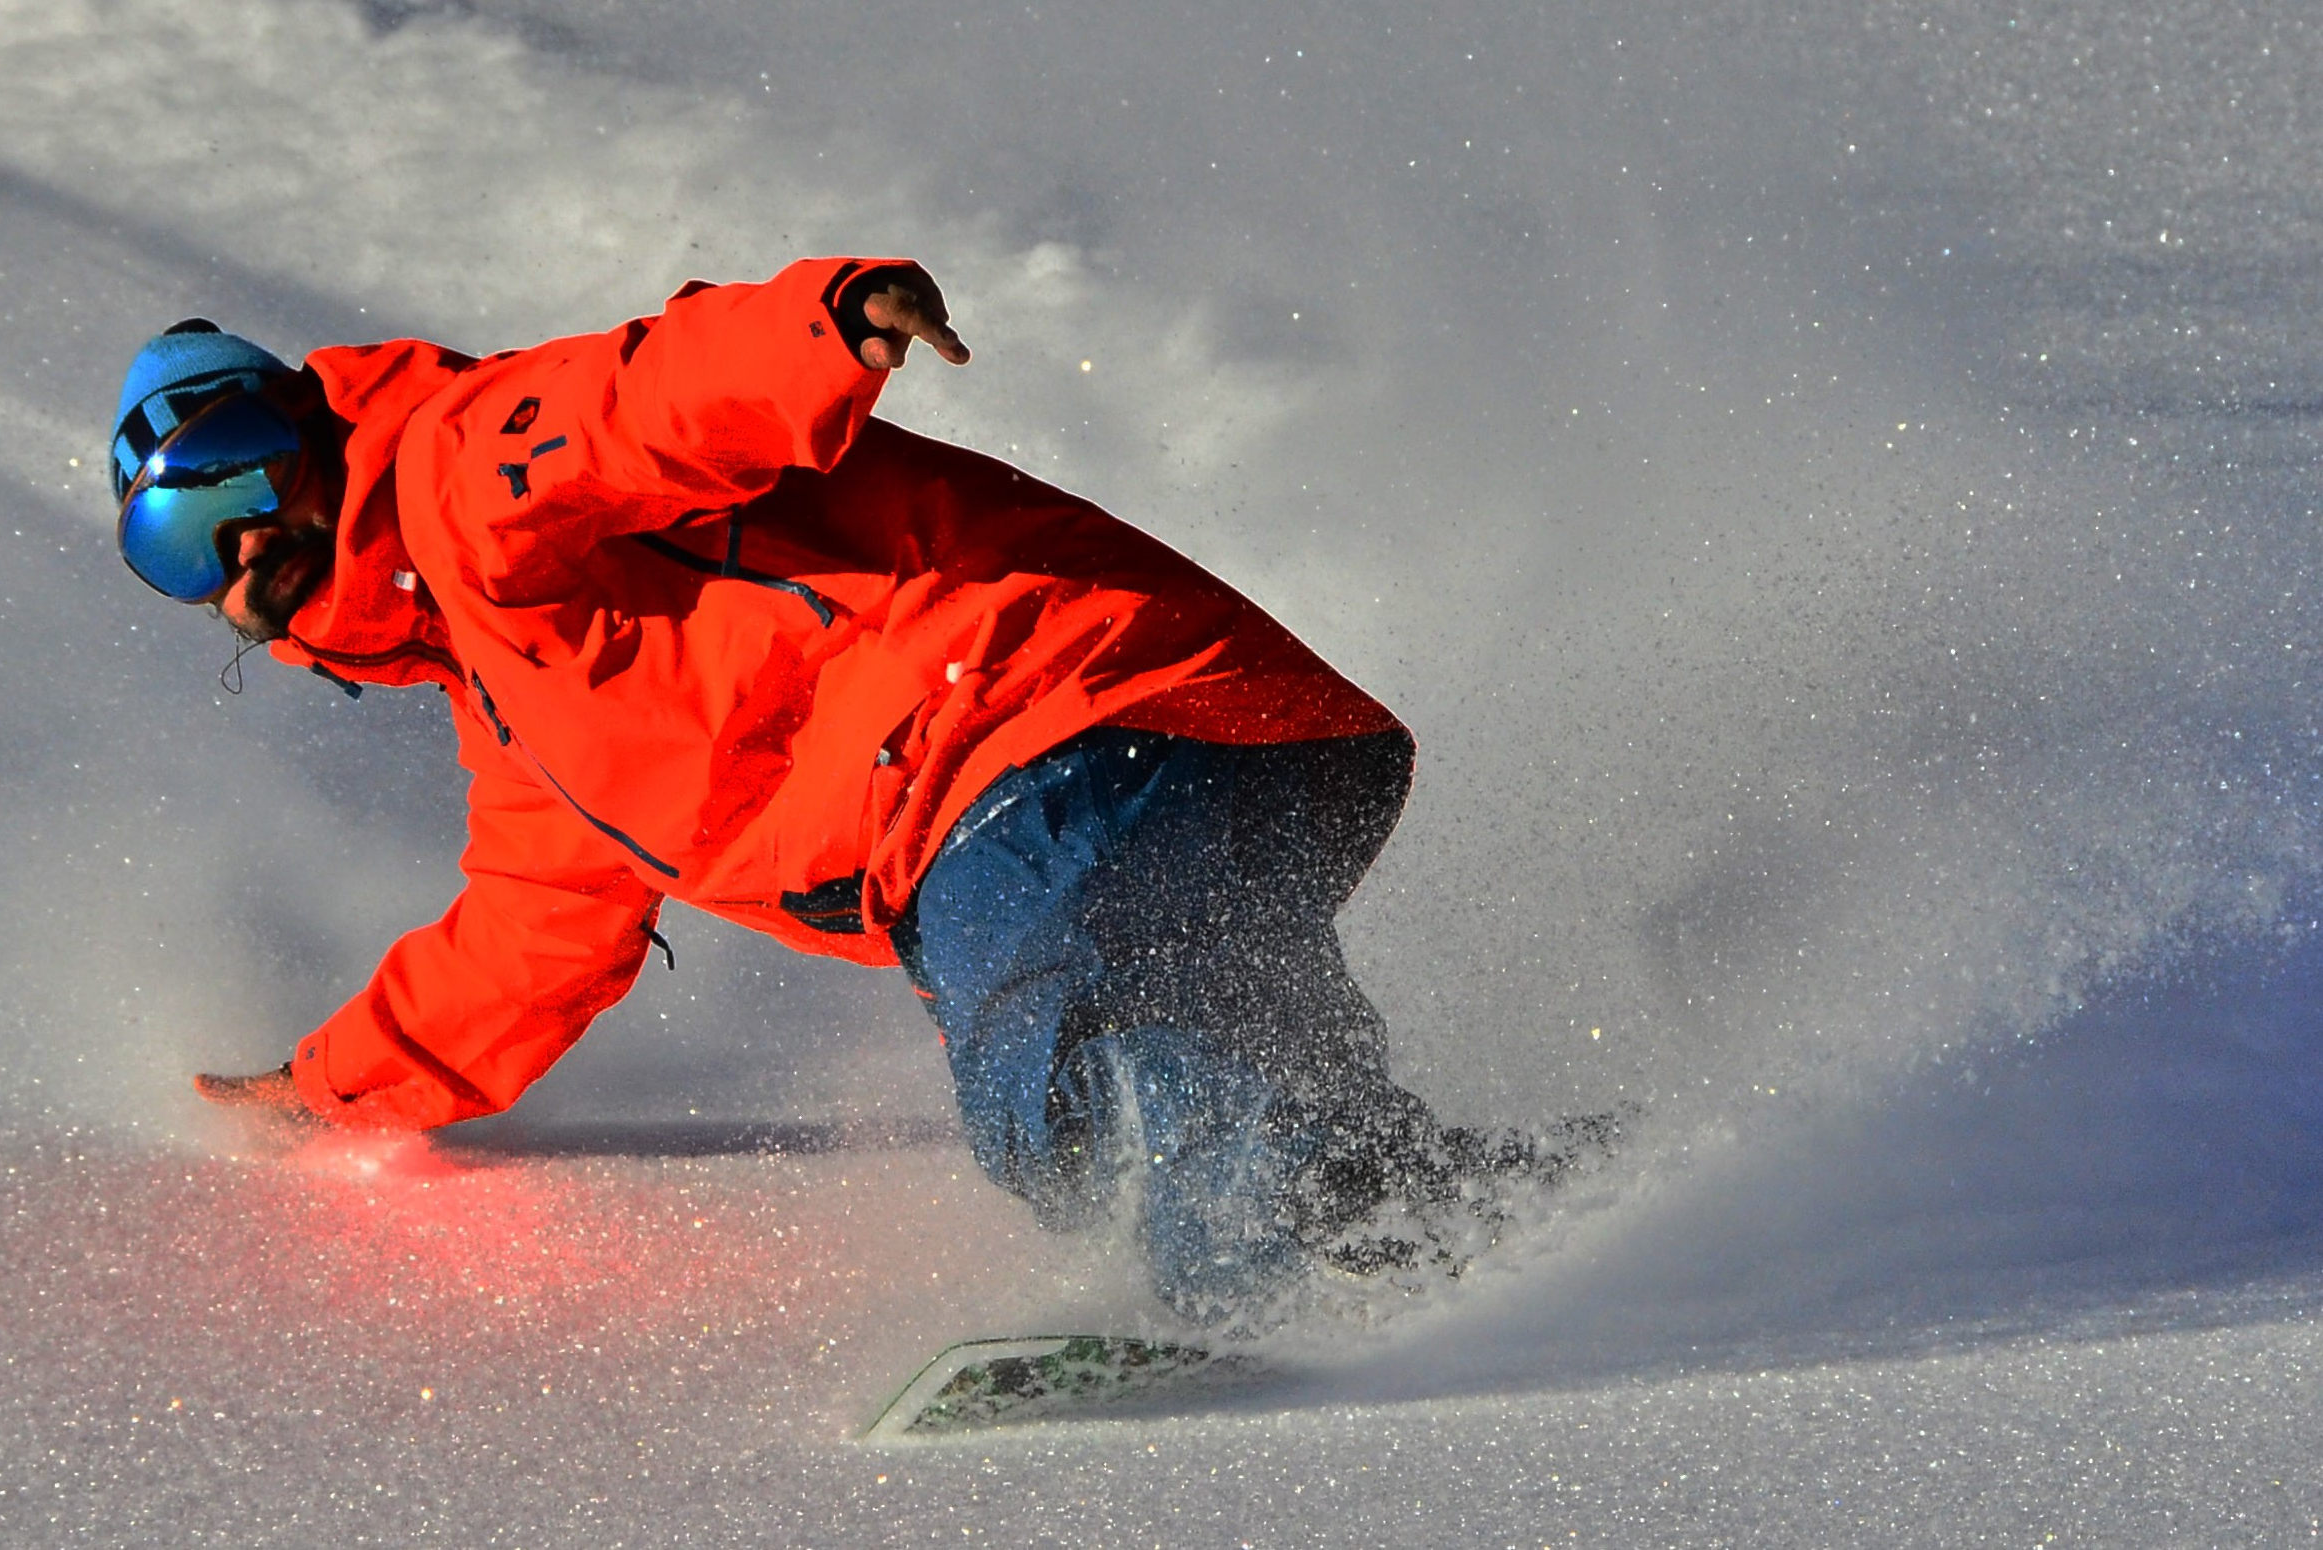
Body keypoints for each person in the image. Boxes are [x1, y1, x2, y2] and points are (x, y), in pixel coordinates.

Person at [114, 257, 1500, 1326]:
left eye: (229, 470)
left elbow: (636, 401)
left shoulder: (464, 470)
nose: (235, 547)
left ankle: (1310, 1245)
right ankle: (1450, 1219)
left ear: (302, 417)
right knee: (1175, 1038)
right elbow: (528, 939)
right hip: (1184, 750)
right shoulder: (521, 708)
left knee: (1057, 1070)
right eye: (176, 546)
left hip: (1022, 738)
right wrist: (323, 1091)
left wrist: (826, 321)